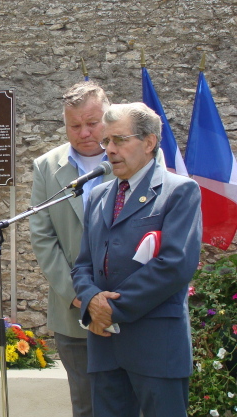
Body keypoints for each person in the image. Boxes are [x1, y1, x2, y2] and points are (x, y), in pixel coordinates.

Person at [71, 102, 202, 417]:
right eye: (107, 142)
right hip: (105, 347)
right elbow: (83, 264)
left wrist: (109, 309)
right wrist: (90, 299)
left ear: (148, 142)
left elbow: (174, 264)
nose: (110, 150)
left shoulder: (179, 192)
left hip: (156, 347)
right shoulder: (99, 196)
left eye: (119, 140)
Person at [29, 81, 113, 417]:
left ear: (108, 117)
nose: (84, 132)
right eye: (74, 125)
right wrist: (80, 296)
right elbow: (43, 238)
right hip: (73, 311)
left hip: (128, 307)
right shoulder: (47, 167)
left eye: (92, 123)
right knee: (86, 405)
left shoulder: (133, 160)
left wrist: (112, 300)